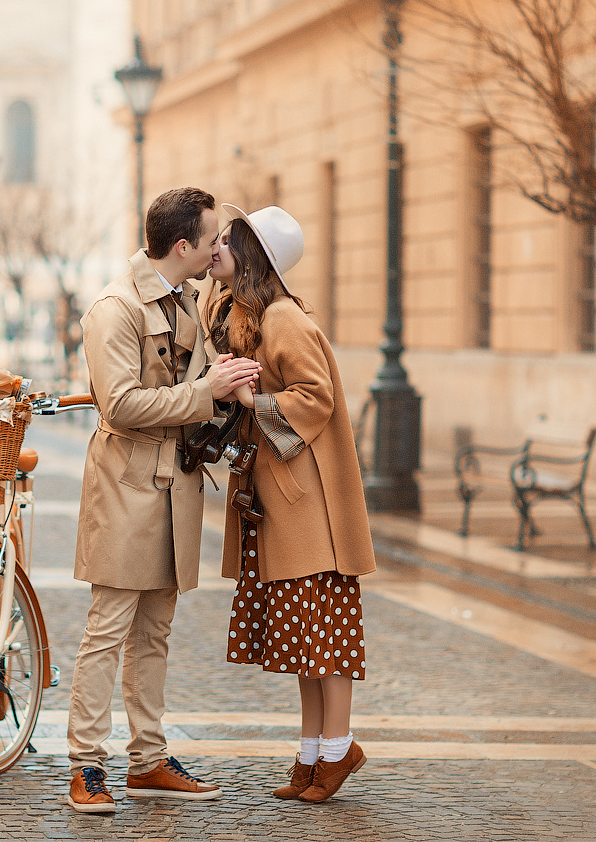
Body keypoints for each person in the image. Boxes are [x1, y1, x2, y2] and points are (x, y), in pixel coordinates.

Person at [65, 187, 261, 815]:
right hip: (126, 484)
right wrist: (208, 391)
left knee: (155, 632)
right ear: (183, 246)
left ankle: (147, 759)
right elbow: (120, 404)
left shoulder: (189, 300)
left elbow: (201, 375)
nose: (218, 249)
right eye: (212, 240)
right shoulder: (114, 309)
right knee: (108, 628)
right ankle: (86, 764)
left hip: (175, 484)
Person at [204, 204, 376, 804]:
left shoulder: (282, 319)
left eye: (229, 240)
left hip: (309, 505)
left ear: (253, 256)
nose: (217, 245)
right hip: (280, 500)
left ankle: (338, 749)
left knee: (324, 638)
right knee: (303, 641)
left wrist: (253, 403)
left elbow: (315, 396)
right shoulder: (245, 316)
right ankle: (310, 756)